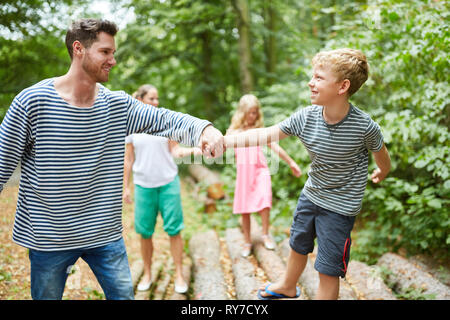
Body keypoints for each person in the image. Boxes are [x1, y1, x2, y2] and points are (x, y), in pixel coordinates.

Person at [0, 18, 224, 300]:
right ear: (79, 49)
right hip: (50, 238)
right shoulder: (31, 103)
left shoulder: (117, 104)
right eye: (105, 52)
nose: (113, 60)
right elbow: (1, 163)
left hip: (104, 235)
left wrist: (203, 127)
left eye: (113, 53)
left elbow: (165, 119)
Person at [225, 48, 391, 299]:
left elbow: (382, 154)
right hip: (311, 195)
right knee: (298, 243)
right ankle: (287, 285)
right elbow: (265, 134)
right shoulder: (307, 117)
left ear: (342, 86)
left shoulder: (363, 126)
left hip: (340, 208)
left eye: (318, 78)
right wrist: (226, 140)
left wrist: (383, 170)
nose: (310, 83)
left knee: (327, 268)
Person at [123, 84, 201, 293]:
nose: (156, 103)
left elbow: (175, 151)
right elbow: (128, 159)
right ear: (140, 100)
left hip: (168, 184)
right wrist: (126, 187)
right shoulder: (131, 127)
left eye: (157, 99)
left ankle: (178, 274)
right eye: (151, 99)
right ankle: (147, 273)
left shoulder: (166, 123)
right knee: (145, 232)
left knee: (174, 230)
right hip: (143, 186)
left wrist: (196, 149)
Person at [227, 94, 301, 257]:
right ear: (242, 112)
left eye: (255, 112)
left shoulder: (260, 131)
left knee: (265, 201)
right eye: (250, 112)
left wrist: (291, 162)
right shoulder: (234, 132)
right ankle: (247, 242)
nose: (253, 116)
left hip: (260, 170)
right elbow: (222, 145)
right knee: (244, 209)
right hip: (244, 174)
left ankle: (265, 234)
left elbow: (274, 146)